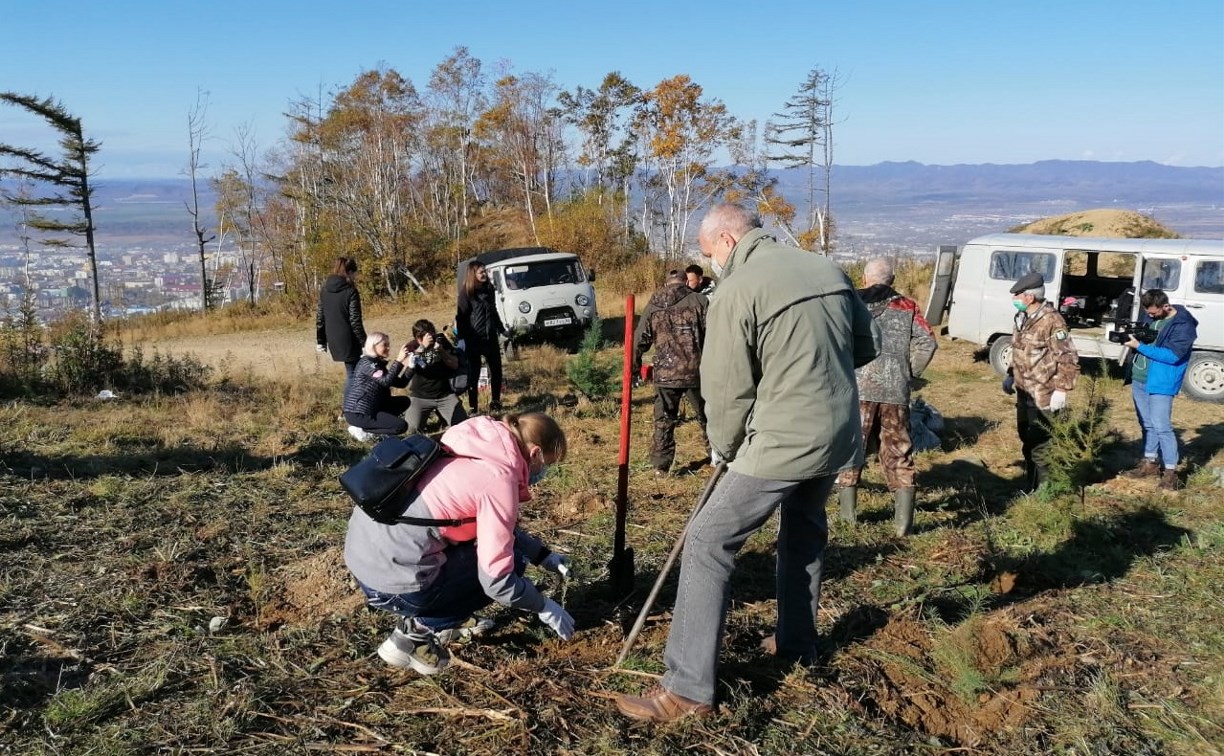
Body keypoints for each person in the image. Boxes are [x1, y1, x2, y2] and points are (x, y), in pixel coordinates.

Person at [614, 203, 880, 723]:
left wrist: (726, 444)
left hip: (781, 440)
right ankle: (798, 645)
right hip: (837, 433)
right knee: (803, 533)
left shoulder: (738, 288)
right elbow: (863, 348)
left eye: (709, 251)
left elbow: (726, 385)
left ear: (728, 241)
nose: (709, 262)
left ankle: (687, 692)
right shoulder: (827, 269)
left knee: (708, 540)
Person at [344, 412, 575, 675]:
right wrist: (543, 605)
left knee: (495, 551)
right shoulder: (497, 479)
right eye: (547, 464)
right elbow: (497, 582)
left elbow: (494, 529)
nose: (543, 473)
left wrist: (544, 556)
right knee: (513, 567)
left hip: (365, 560)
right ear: (534, 454)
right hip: (392, 584)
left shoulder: (465, 443)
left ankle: (435, 611)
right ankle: (415, 634)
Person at [836, 258, 938, 536]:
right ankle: (902, 526)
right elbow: (928, 341)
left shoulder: (850, 302)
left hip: (856, 389)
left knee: (850, 448)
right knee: (898, 452)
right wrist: (909, 372)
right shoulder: (907, 306)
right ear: (892, 280)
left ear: (866, 278)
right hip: (895, 390)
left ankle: (848, 520)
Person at [1001, 271, 1079, 491]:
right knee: (1026, 438)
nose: (1014, 299)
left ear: (1030, 297)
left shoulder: (1052, 321)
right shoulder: (1023, 318)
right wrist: (1010, 375)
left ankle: (1044, 490)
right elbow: (1019, 351)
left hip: (1044, 394)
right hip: (1024, 390)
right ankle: (1030, 483)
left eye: (1018, 295)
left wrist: (1062, 390)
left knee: (1041, 444)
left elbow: (1068, 357)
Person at [633, 269, 710, 477]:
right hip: (697, 371)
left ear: (666, 283)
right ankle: (718, 457)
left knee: (664, 419)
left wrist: (633, 368)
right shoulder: (700, 301)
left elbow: (639, 339)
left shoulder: (653, 305)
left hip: (665, 373)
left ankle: (661, 467)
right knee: (708, 417)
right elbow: (714, 334)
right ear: (686, 281)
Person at [1120, 289, 1199, 490]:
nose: (1151, 316)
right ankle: (1150, 463)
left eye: (1154, 313)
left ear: (1166, 306)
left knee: (1162, 426)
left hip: (1161, 381)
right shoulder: (1151, 316)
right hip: (1140, 378)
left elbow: (1173, 356)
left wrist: (1139, 346)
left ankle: (1171, 473)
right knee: (1147, 424)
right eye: (1149, 313)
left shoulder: (1183, 325)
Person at [456, 261, 506, 415]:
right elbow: (461, 317)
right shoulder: (466, 292)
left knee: (496, 371)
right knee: (474, 374)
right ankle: (473, 407)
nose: (484, 274)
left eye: (485, 271)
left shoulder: (490, 288)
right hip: (474, 339)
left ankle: (496, 402)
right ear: (473, 274)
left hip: (490, 337)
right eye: (481, 272)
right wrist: (463, 338)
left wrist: (502, 329)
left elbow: (494, 311)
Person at [342, 332, 412, 441]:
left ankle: (380, 427)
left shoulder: (377, 364)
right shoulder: (367, 363)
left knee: (404, 401)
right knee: (401, 426)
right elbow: (386, 381)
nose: (388, 348)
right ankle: (365, 430)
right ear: (373, 346)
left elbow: (400, 383)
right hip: (358, 412)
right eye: (385, 345)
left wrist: (411, 367)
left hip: (372, 407)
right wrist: (399, 361)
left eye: (388, 345)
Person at [403, 319, 469, 435]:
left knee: (463, 427)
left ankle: (444, 418)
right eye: (423, 336)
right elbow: (404, 366)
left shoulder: (440, 341)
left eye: (431, 334)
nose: (430, 338)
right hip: (420, 397)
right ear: (417, 338)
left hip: (444, 395)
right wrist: (422, 348)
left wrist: (442, 351)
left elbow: (454, 364)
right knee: (411, 430)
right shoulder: (412, 346)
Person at [316, 257, 367, 385]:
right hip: (349, 338)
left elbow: (320, 317)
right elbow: (355, 320)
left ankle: (354, 402)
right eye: (355, 273)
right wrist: (364, 342)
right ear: (349, 272)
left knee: (352, 372)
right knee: (354, 375)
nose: (355, 276)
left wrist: (321, 340)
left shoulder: (325, 290)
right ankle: (350, 404)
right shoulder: (351, 291)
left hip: (333, 338)